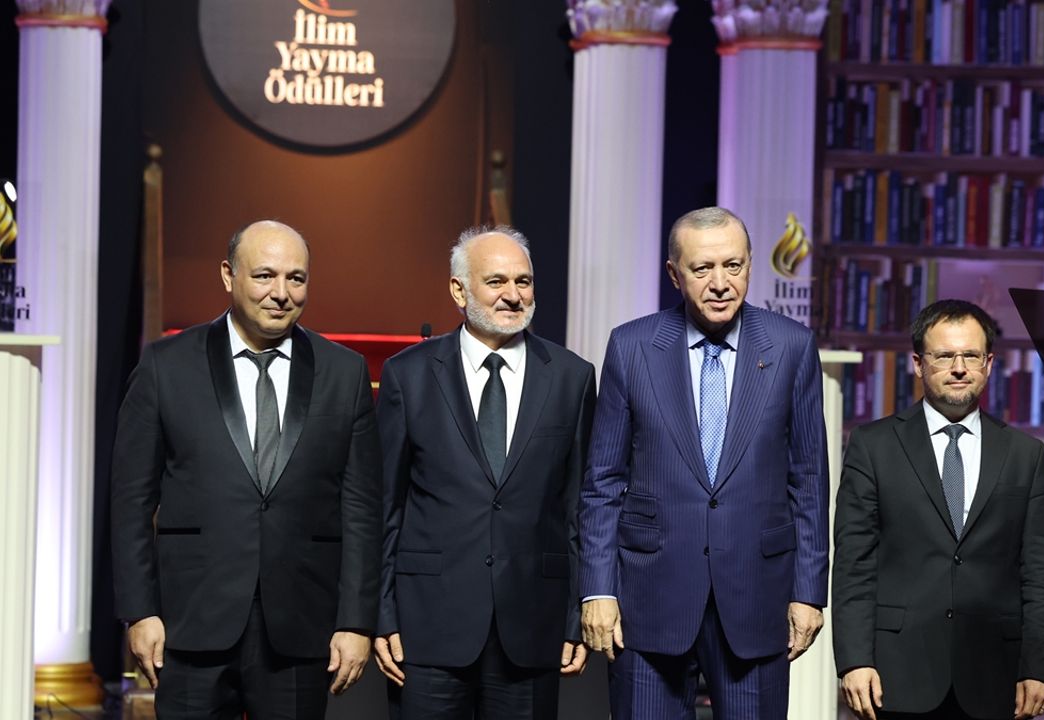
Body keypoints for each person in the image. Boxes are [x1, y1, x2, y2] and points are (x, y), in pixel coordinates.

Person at [110, 220, 381, 719]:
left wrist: (357, 621)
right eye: (264, 276)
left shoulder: (344, 372)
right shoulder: (166, 365)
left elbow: (362, 506)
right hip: (190, 622)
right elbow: (131, 499)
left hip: (301, 625)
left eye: (296, 278)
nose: (281, 293)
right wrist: (140, 610)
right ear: (227, 275)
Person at [580, 206, 830, 718]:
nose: (720, 283)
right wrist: (597, 590)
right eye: (702, 269)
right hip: (648, 599)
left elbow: (809, 480)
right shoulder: (631, 346)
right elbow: (602, 481)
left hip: (756, 597)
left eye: (733, 266)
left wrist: (809, 592)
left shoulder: (792, 346)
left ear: (751, 264)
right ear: (674, 274)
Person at [373, 226, 597, 719]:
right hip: (426, 626)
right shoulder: (407, 375)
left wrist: (574, 614)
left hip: (533, 627)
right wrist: (381, 613)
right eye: (496, 281)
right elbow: (385, 505)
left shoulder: (572, 377)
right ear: (459, 290)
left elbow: (578, 508)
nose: (513, 295)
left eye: (524, 281)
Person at [832, 299, 1044, 720]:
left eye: (971, 355)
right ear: (918, 364)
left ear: (988, 364)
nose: (959, 368)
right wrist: (854, 660)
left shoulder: (1025, 455)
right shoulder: (873, 446)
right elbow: (854, 566)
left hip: (997, 677)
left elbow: (1042, 575)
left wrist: (1040, 667)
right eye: (944, 356)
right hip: (896, 674)